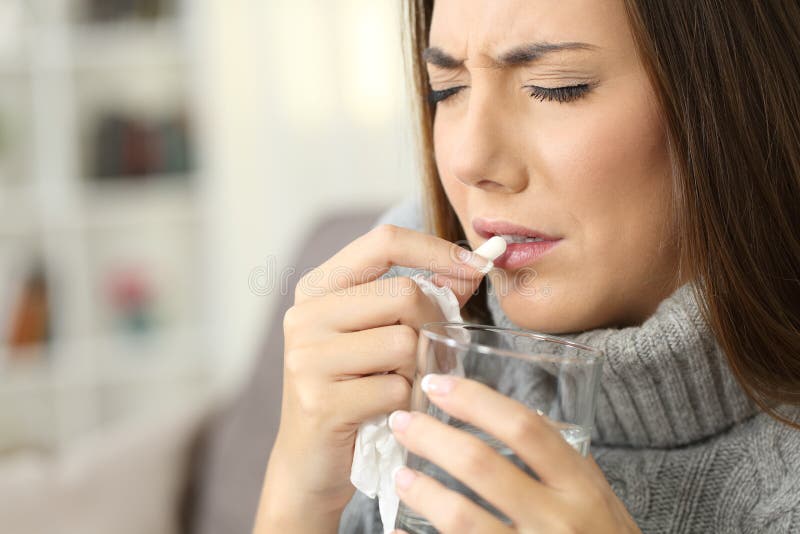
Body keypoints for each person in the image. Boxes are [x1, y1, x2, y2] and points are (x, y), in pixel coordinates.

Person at [255, 0, 800, 532]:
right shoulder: (399, 356)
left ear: (734, 99)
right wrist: (299, 498)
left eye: (556, 87)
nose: (470, 161)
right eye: (447, 90)